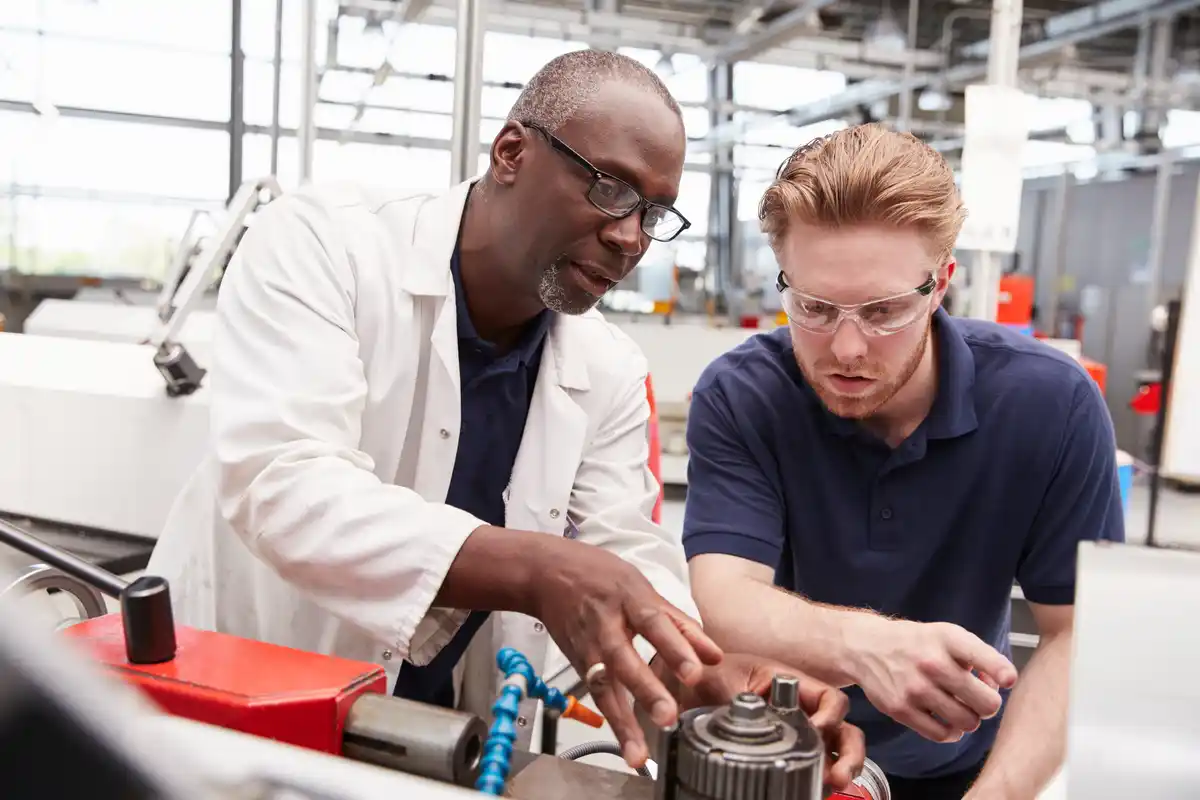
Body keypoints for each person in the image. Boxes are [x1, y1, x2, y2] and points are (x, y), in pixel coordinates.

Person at [146, 50, 863, 784]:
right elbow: (282, 481)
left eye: (653, 213)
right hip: (236, 708)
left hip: (435, 741)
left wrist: (701, 676)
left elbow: (625, 554)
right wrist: (536, 568)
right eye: (610, 188)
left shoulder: (609, 368)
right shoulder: (324, 244)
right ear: (512, 152)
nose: (630, 237)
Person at [682, 124, 1125, 800]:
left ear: (941, 283)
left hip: (966, 772)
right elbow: (725, 599)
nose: (847, 348)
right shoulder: (744, 396)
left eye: (883, 311)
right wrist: (871, 648)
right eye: (814, 307)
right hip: (777, 754)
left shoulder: (1051, 406)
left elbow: (1077, 634)